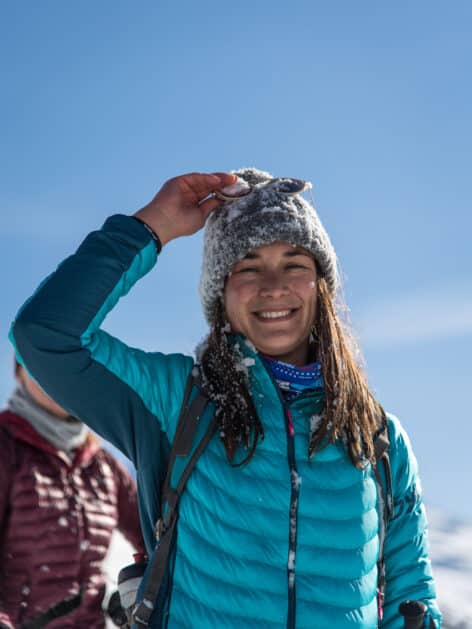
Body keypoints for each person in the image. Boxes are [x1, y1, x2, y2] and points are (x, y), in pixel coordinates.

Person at [10, 168, 442, 628]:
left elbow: (410, 595)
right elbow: (45, 334)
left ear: (322, 286)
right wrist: (154, 225)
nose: (273, 285)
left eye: (295, 263)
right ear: (221, 295)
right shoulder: (178, 400)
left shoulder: (378, 437)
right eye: (248, 267)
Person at [0, 360, 145, 628]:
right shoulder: (6, 447)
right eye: (40, 365)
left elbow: (153, 536)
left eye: (64, 369)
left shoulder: (101, 464)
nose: (54, 379)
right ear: (19, 372)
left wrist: (127, 589)